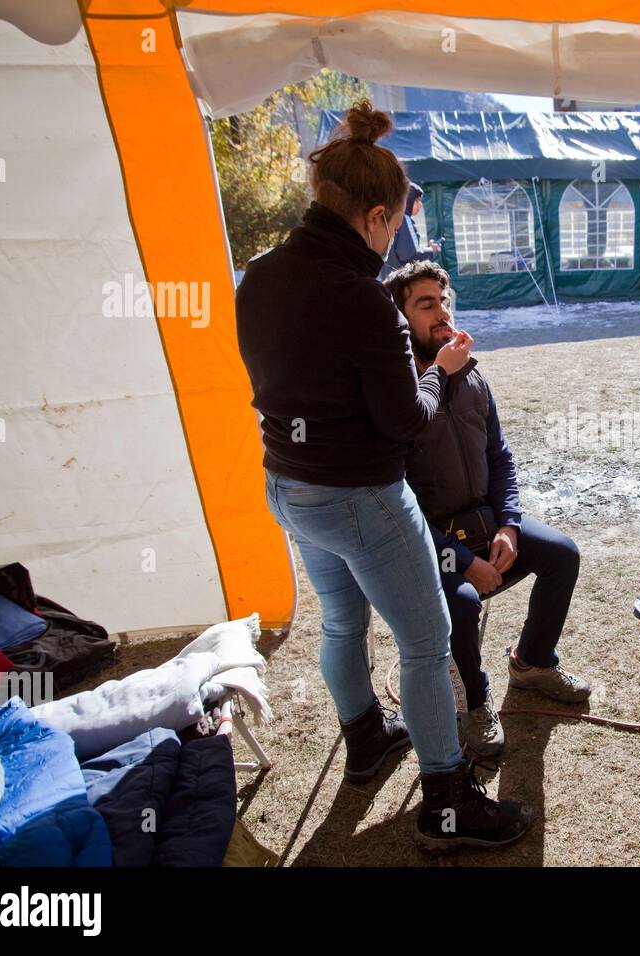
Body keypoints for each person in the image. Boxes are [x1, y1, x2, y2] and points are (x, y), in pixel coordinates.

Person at [235, 100, 533, 852]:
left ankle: (365, 738)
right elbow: (405, 420)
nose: (395, 236)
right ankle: (446, 801)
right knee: (428, 642)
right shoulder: (366, 302)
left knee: (342, 619)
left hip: (288, 484)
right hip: (360, 495)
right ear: (372, 216)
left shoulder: (258, 275)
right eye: (395, 224)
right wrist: (436, 370)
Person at [382, 260, 591, 757]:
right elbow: (396, 499)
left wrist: (511, 528)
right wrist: (461, 561)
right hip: (427, 545)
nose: (442, 313)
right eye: (425, 304)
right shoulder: (397, 397)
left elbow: (500, 458)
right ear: (401, 319)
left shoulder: (472, 377)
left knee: (562, 554)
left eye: (444, 300)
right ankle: (474, 702)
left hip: (483, 523)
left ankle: (532, 663)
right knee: (463, 601)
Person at [382, 183, 441, 274]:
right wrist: (431, 250)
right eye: (417, 200)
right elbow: (408, 254)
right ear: (407, 200)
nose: (420, 205)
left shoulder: (389, 217)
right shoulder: (405, 219)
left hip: (387, 277)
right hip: (400, 279)